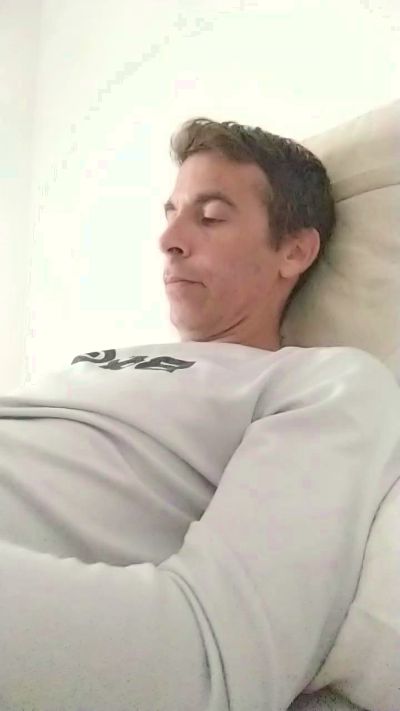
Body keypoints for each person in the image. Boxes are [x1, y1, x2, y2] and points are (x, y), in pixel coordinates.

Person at [0, 118, 399, 711]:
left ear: (294, 250)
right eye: (170, 213)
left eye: (210, 217)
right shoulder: (92, 362)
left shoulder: (323, 381)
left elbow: (211, 666)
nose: (168, 240)